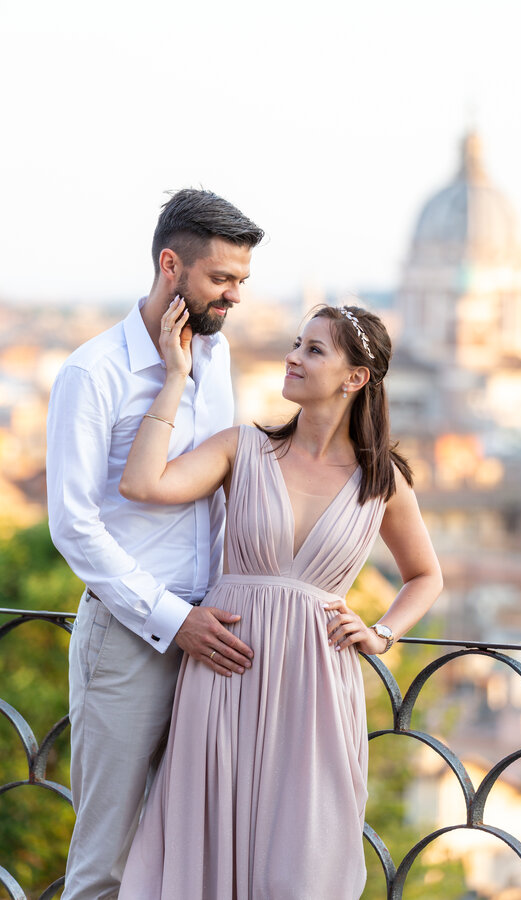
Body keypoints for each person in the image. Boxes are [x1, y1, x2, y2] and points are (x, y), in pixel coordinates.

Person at [116, 301, 443, 899]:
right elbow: (142, 483)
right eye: (297, 343)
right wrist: (174, 378)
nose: (292, 356)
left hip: (317, 687)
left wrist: (382, 633)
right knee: (207, 852)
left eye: (313, 350)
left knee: (301, 864)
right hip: (223, 673)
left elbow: (425, 576)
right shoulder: (244, 448)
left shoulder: (382, 480)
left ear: (355, 378)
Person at [46, 188, 264, 900]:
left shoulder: (218, 354)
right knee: (104, 864)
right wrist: (176, 620)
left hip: (214, 635)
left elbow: (221, 488)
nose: (233, 296)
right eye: (220, 279)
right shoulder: (93, 372)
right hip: (133, 639)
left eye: (241, 281)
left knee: (187, 857)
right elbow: (73, 526)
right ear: (171, 265)